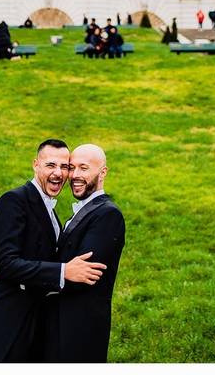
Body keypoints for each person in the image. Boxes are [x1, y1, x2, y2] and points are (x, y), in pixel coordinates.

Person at [0, 140, 106, 362]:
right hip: (8, 315)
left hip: (36, 317)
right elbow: (5, 265)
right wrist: (63, 272)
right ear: (36, 165)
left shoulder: (52, 214)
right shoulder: (13, 201)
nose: (58, 173)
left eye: (65, 167)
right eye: (51, 165)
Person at [44, 144, 125, 363]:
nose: (75, 176)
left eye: (84, 168)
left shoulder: (108, 215)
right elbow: (66, 267)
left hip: (81, 328)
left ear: (103, 172)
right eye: (72, 168)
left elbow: (81, 276)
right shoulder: (87, 210)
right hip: (61, 322)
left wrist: (24, 276)